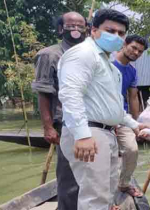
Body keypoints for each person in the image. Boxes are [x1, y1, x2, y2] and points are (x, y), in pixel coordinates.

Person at [57, 9, 147, 210]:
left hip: (106, 132)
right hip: (91, 132)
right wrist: (82, 135)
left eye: (121, 33)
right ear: (94, 30)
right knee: (94, 196)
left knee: (106, 191)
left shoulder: (110, 66)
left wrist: (134, 124)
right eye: (110, 30)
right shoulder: (83, 54)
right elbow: (70, 94)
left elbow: (114, 106)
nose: (116, 36)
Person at [31, 11, 86, 210]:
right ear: (61, 29)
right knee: (69, 175)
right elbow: (43, 93)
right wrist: (47, 127)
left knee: (88, 172)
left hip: (89, 121)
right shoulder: (50, 54)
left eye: (81, 26)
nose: (76, 30)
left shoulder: (88, 53)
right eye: (72, 25)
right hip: (65, 123)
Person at [112, 35, 148, 197]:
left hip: (123, 117)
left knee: (132, 150)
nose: (136, 53)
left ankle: (124, 184)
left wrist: (136, 124)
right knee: (108, 157)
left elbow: (133, 97)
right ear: (125, 44)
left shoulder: (132, 71)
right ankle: (105, 193)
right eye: (134, 48)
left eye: (140, 51)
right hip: (101, 118)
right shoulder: (107, 64)